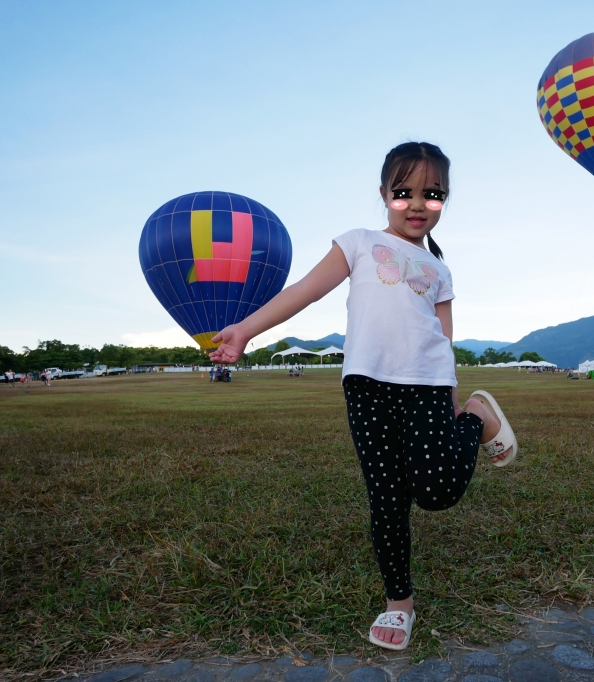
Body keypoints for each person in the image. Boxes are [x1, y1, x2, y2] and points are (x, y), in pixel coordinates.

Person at [208, 141, 518, 652]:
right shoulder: (357, 242)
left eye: (433, 194)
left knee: (437, 491)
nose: (418, 204)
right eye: (405, 192)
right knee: (387, 498)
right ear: (384, 194)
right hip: (367, 386)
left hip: (427, 388)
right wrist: (246, 329)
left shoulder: (439, 271)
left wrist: (458, 402)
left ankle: (477, 420)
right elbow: (304, 290)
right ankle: (400, 604)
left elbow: (443, 338)